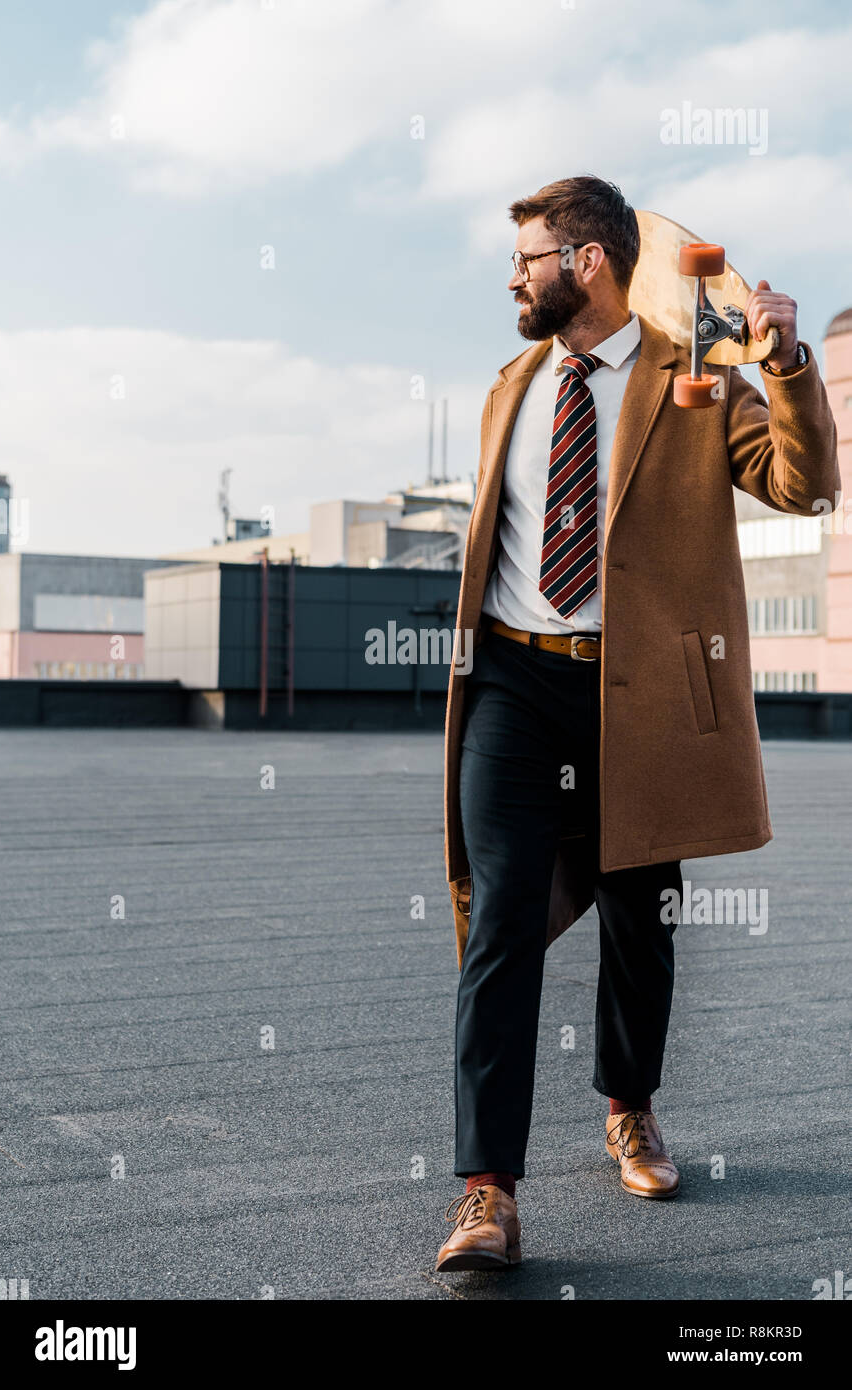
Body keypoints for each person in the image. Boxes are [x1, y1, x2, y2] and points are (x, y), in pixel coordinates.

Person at [436, 175, 839, 1272]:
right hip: (515, 687)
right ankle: (486, 1191)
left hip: (644, 693)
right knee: (500, 924)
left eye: (530, 257)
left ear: (591, 262)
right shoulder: (512, 384)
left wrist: (790, 365)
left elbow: (806, 486)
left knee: (642, 919)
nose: (513, 276)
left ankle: (630, 1105)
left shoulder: (694, 379)